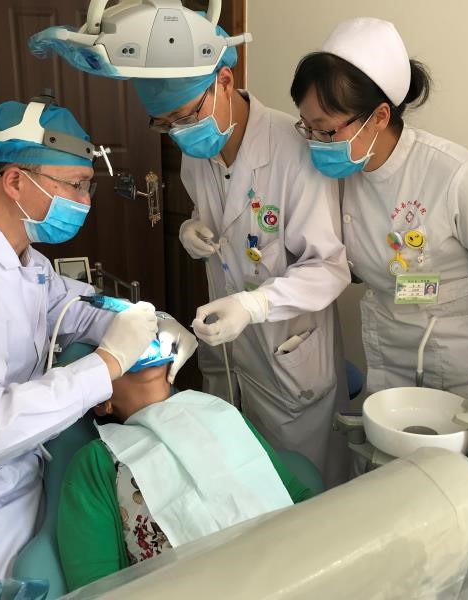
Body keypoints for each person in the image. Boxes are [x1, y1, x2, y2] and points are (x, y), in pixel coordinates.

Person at [0, 99, 197, 577]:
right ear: (14, 181)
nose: (86, 201)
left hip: (22, 478)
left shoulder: (24, 260)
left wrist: (148, 320)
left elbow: (75, 308)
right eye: (76, 185)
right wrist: (108, 364)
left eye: (88, 186)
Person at [128, 27, 352, 487]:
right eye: (165, 124)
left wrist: (254, 305)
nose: (179, 133)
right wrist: (191, 227)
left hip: (288, 352)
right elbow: (223, 215)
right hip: (230, 352)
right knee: (239, 477)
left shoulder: (295, 151)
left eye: (184, 116)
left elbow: (328, 267)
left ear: (225, 82)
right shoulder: (197, 149)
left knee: (301, 488)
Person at [290, 18, 468, 400]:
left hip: (466, 366)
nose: (315, 142)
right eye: (306, 127)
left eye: (325, 130)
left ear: (379, 117)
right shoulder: (340, 174)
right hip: (387, 353)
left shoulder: (458, 177)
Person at [57, 351, 314, 591]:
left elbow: (296, 498)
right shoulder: (95, 462)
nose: (138, 349)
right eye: (120, 350)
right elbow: (97, 589)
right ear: (102, 402)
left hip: (295, 574)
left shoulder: (221, 413)